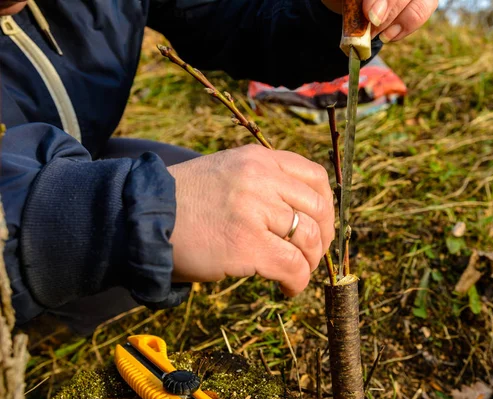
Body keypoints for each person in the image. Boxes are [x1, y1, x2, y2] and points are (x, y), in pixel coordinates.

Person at [0, 0, 437, 335]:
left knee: (192, 185)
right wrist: (106, 218)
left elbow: (234, 13)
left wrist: (324, 10)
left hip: (70, 153)